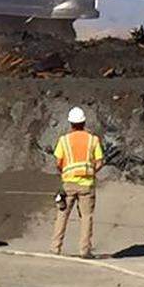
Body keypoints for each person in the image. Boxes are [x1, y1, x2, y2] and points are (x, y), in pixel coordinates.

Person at [50, 106, 105, 258]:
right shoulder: (93, 140)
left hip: (68, 184)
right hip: (86, 185)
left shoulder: (64, 140)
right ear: (84, 122)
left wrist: (66, 173)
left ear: (70, 123)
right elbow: (99, 162)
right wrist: (90, 172)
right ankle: (84, 250)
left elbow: (58, 162)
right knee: (86, 218)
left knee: (62, 215)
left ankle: (55, 248)